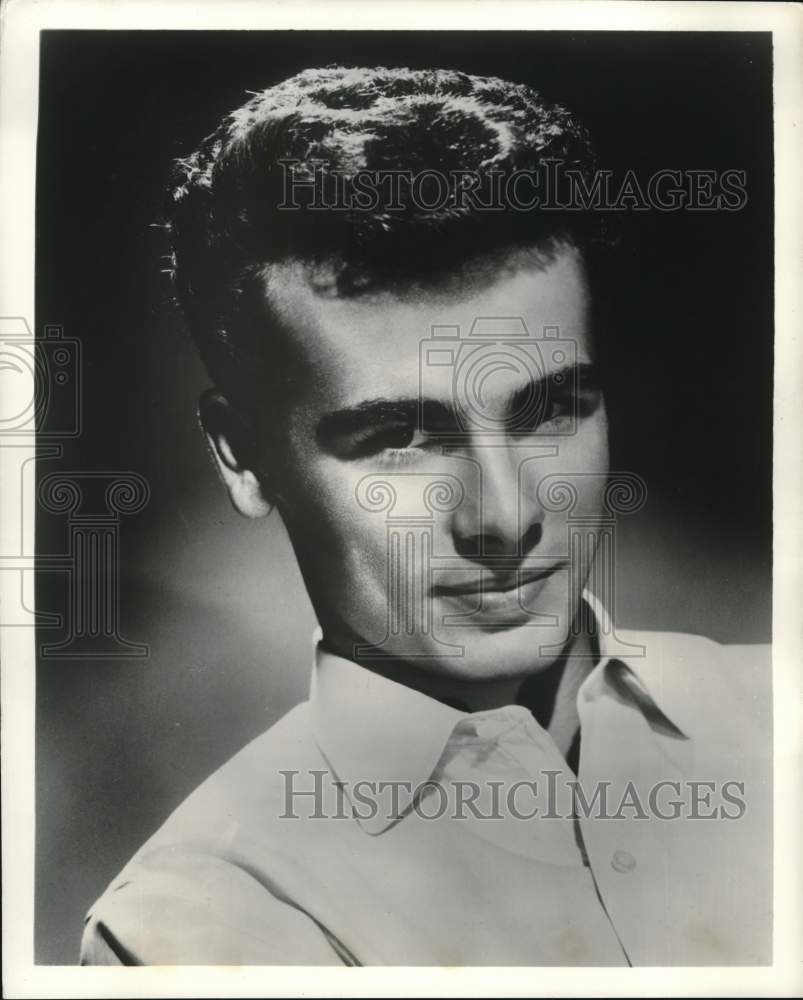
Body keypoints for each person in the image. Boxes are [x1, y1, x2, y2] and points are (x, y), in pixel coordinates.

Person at [80, 65, 771, 966]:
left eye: (549, 410)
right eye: (400, 436)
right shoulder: (200, 925)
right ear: (240, 457)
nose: (506, 513)